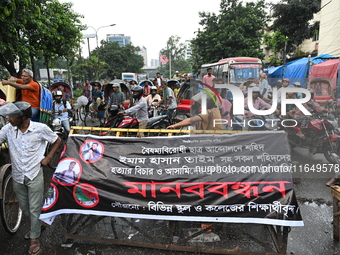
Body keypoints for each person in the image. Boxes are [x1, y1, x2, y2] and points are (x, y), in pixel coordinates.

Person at [0, 101, 61, 255]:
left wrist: (48, 157)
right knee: (25, 206)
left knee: (34, 207)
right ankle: (39, 223)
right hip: (17, 175)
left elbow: (57, 140)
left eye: (12, 116)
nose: (9, 119)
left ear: (24, 116)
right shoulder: (8, 129)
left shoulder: (40, 129)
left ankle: (35, 238)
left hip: (34, 173)